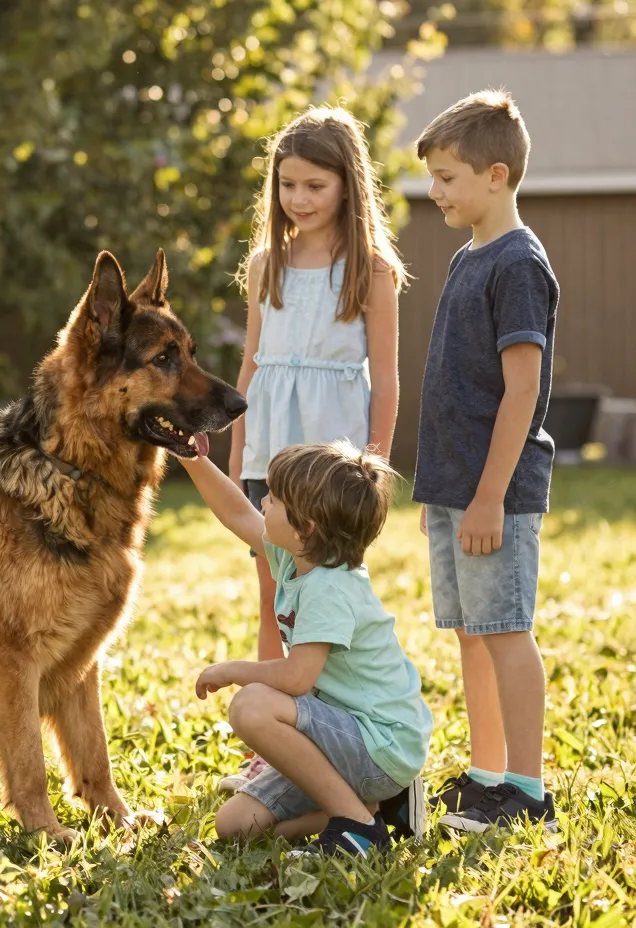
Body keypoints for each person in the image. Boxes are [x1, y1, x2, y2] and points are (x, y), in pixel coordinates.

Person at [221, 106, 405, 792]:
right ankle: (269, 743)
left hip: (333, 455)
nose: (298, 199)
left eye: (314, 187)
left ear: (347, 187)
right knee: (272, 590)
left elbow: (384, 377)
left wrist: (377, 459)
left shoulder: (371, 270)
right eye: (287, 186)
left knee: (323, 593)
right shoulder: (266, 263)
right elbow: (251, 365)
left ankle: (325, 727)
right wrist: (240, 454)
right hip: (268, 447)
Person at [414, 90, 559, 833]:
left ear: (496, 175)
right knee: (472, 632)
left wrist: (488, 496)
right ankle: (487, 776)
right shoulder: (470, 256)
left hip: (492, 493)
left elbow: (523, 389)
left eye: (447, 178)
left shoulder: (518, 263)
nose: (434, 191)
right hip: (456, 489)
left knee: (504, 629)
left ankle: (529, 794)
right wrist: (445, 492)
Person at [183, 442, 432, 856]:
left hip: (380, 745)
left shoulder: (329, 587)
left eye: (275, 498)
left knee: (252, 706)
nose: (263, 501)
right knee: (235, 826)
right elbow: (236, 513)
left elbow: (296, 678)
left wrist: (231, 670)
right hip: (342, 739)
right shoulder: (298, 558)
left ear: (307, 526)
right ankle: (380, 812)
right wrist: (191, 456)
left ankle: (358, 829)